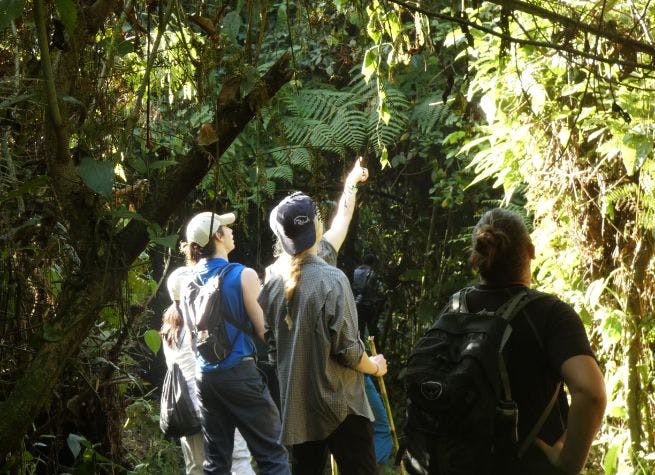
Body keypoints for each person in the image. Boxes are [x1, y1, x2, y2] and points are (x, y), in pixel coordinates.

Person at [444, 208, 606, 474]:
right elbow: (591, 392)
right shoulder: (550, 314)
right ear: (530, 252)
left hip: (457, 463)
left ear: (476, 258)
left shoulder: (454, 307)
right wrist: (569, 462)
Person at [259, 192, 388, 475]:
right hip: (342, 406)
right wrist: (376, 367)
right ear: (318, 229)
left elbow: (272, 348)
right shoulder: (333, 278)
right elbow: (350, 352)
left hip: (298, 410)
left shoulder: (270, 282)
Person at [181, 211, 290, 475]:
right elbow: (264, 330)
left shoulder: (187, 282)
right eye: (226, 229)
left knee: (216, 461)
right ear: (218, 236)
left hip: (204, 378)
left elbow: (192, 337)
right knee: (272, 454)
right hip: (240, 374)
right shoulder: (243, 275)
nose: (231, 231)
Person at [160, 266, 256, 475]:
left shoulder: (169, 328)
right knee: (238, 458)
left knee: (196, 465)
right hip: (213, 400)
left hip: (185, 407)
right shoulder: (198, 321)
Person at [352, 253, 385, 339]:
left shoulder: (355, 272)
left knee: (359, 330)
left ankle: (359, 349)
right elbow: (380, 290)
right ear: (373, 263)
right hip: (368, 306)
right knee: (372, 331)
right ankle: (372, 350)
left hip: (356, 304)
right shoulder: (373, 274)